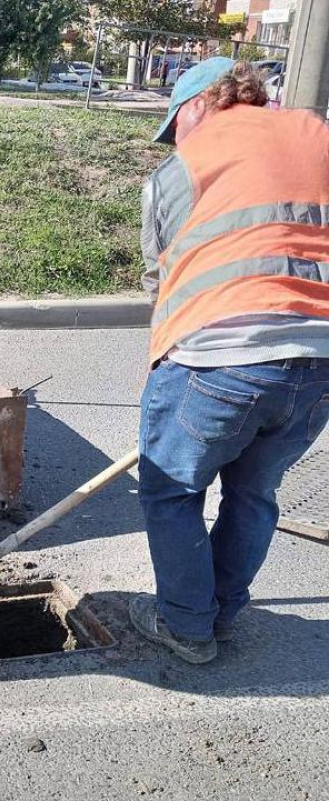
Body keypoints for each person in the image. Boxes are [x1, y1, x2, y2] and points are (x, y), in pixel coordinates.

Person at [131, 59, 329, 664]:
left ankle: (189, 626)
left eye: (174, 125)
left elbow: (159, 278)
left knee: (171, 492)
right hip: (320, 358)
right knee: (254, 491)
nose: (174, 140)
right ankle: (217, 608)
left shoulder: (179, 171)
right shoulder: (319, 134)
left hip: (219, 355)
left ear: (199, 105)